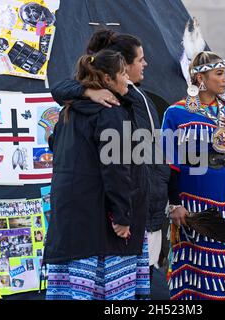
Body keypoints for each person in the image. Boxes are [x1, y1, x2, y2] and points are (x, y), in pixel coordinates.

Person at [50, 29, 170, 285]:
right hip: (123, 212)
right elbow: (121, 165)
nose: (145, 64)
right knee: (120, 287)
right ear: (118, 69)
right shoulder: (111, 107)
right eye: (139, 60)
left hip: (102, 213)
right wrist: (125, 214)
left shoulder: (75, 109)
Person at [43, 49, 150, 300]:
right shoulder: (110, 113)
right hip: (100, 227)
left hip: (71, 222)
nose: (128, 79)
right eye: (123, 73)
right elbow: (116, 170)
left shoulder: (68, 112)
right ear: (106, 79)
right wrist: (123, 215)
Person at [162, 51, 225, 300]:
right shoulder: (177, 113)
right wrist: (174, 203)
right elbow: (169, 162)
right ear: (200, 79)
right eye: (219, 73)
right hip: (195, 201)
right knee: (200, 262)